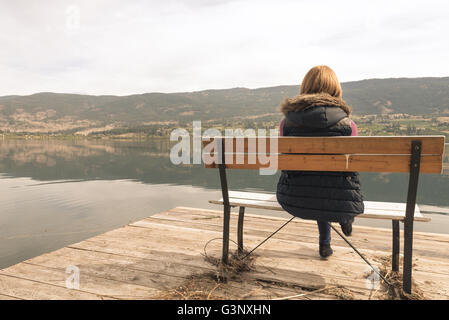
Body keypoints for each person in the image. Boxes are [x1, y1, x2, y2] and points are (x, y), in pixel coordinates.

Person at [276, 65, 364, 259]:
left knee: (315, 183)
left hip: (295, 195)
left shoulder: (286, 123)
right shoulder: (349, 125)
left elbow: (286, 158)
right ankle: (344, 217)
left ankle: (326, 242)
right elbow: (353, 163)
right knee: (331, 182)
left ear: (305, 87)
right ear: (335, 89)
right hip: (338, 195)